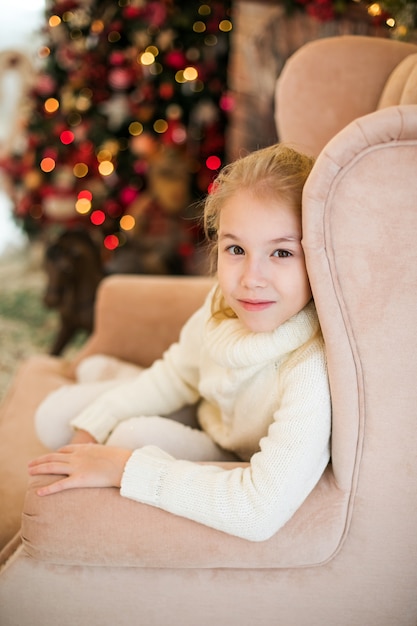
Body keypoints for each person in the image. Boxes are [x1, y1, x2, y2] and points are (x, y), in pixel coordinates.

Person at [29, 143, 331, 542]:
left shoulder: (311, 366)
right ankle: (110, 379)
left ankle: (109, 377)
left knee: (128, 439)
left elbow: (259, 510)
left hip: (234, 456)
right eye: (236, 249)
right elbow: (176, 374)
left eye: (281, 252)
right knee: (53, 417)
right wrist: (91, 428)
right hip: (207, 410)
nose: (250, 278)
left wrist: (120, 467)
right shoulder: (224, 304)